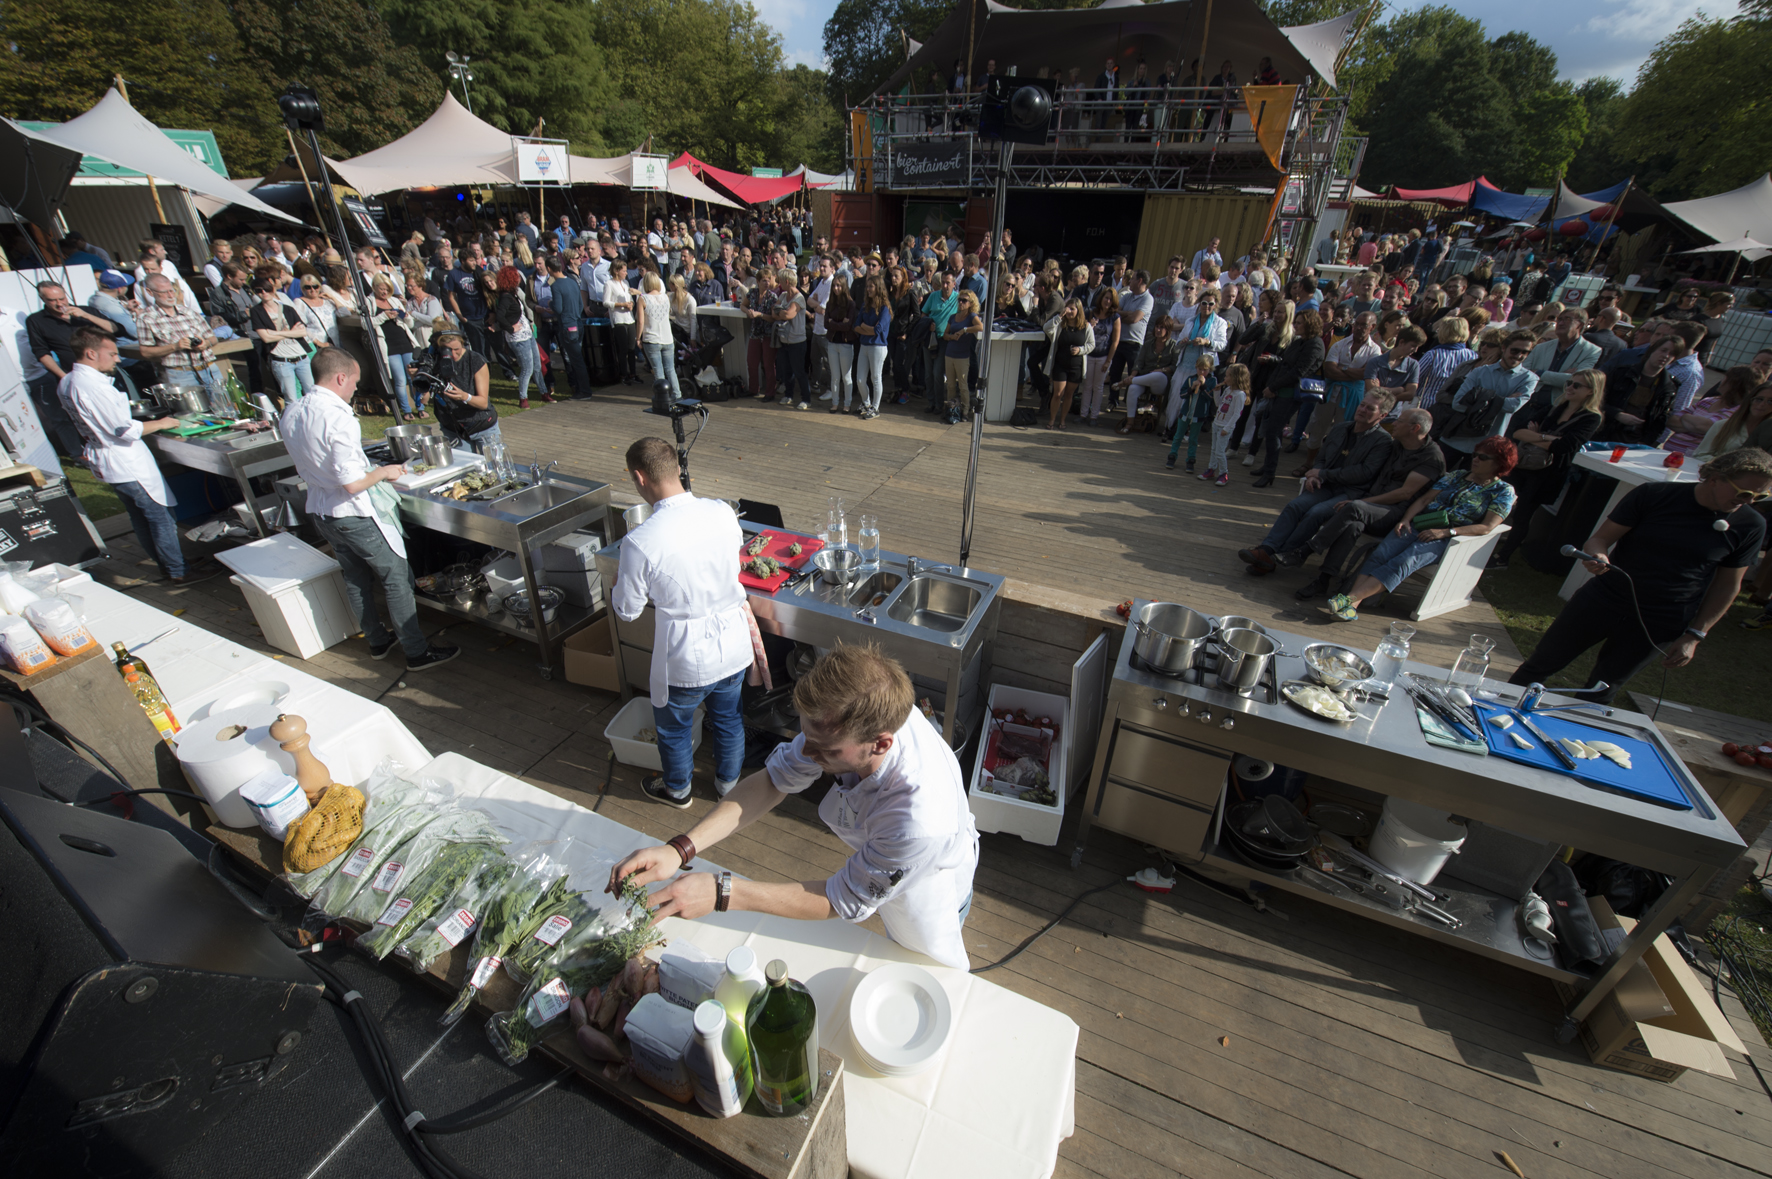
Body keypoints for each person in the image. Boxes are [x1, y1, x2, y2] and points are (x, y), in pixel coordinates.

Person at [609, 643, 979, 970]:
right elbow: (773, 780)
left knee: (922, 971)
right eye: (807, 735)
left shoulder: (918, 822)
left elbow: (840, 899)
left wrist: (723, 892)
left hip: (928, 893)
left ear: (881, 744)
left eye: (826, 750)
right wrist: (680, 849)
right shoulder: (858, 714)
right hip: (888, 847)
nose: (808, 752)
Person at [1510, 447, 1771, 699]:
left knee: (1601, 690)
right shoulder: (1654, 495)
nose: (1749, 502)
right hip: (1604, 598)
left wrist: (1695, 635)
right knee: (1537, 668)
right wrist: (1598, 556)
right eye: (1745, 493)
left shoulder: (1750, 525)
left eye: (1760, 497)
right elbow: (1599, 539)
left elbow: (1728, 586)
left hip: (1662, 618)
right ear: (1715, 478)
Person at [283, 349, 456, 670]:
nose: (355, 389)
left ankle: (377, 640)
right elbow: (351, 483)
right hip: (352, 512)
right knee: (396, 578)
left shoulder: (293, 410)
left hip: (321, 511)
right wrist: (384, 472)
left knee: (355, 577)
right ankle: (416, 652)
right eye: (355, 382)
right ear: (340, 378)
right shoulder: (337, 417)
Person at [611, 437, 752, 806]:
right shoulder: (722, 511)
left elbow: (627, 611)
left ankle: (678, 790)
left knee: (674, 729)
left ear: (640, 478)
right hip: (733, 642)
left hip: (685, 655)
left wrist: (618, 586)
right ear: (676, 469)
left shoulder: (639, 541)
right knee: (729, 719)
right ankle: (728, 787)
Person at [57, 327, 206, 581]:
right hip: (124, 459)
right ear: (91, 353)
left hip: (108, 458)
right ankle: (177, 571)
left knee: (141, 517)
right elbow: (123, 430)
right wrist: (162, 423)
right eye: (112, 354)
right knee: (160, 518)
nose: (117, 359)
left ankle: (170, 563)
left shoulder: (67, 380)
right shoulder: (92, 386)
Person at [1329, 437, 1519, 622]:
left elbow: (1487, 527)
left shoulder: (1503, 491)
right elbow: (1424, 500)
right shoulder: (1457, 475)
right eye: (1476, 454)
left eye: (1483, 457)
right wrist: (1406, 519)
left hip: (1447, 537)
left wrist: (1447, 533)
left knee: (1405, 561)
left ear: (1500, 463)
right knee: (1381, 554)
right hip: (1421, 522)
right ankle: (1352, 604)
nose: (1475, 459)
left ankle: (1348, 600)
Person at [1291, 407, 1445, 598]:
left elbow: (1404, 493)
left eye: (1400, 421)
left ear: (1415, 428)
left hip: (1394, 514)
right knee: (1353, 524)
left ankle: (1307, 549)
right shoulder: (1396, 444)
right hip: (1370, 506)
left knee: (1354, 508)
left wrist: (1362, 501)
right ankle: (1323, 580)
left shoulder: (1431, 457)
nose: (1393, 423)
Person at [1238, 391, 1398, 574]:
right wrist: (1315, 474)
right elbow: (1322, 457)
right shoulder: (1341, 428)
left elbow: (1364, 473)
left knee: (1315, 513)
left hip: (1351, 493)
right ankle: (1267, 550)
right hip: (1326, 484)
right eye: (1362, 404)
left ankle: (1274, 556)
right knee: (1295, 506)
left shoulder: (1383, 441)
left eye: (1370, 408)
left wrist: (1324, 473)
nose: (1362, 410)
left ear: (1382, 415)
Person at [1490, 370, 1606, 568]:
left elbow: (1565, 447)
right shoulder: (1555, 408)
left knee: (1523, 514)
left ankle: (1503, 557)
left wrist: (1538, 436)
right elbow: (1519, 432)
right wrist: (1549, 438)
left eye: (1577, 385)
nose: (1569, 387)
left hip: (1547, 473)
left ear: (1591, 391)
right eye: (1569, 383)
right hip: (1522, 464)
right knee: (1500, 503)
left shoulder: (1591, 418)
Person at [27, 281, 120, 457]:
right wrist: (64, 377)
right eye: (52, 300)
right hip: (73, 375)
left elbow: (115, 329)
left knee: (116, 409)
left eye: (62, 298)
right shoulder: (36, 320)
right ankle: (88, 454)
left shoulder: (85, 311)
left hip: (107, 371)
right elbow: (41, 352)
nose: (59, 303)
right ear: (43, 299)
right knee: (85, 417)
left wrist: (86, 315)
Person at [1440, 330, 1539, 466]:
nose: (1519, 355)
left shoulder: (1529, 379)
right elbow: (1458, 403)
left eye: (1525, 352)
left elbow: (1513, 406)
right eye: (1515, 350)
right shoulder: (1480, 371)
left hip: (1487, 447)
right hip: (1455, 439)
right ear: (1504, 348)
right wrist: (1501, 400)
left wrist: (1478, 397)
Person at [1253, 308, 1327, 486]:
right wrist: (1270, 385)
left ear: (1310, 324)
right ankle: (1267, 466)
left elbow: (1299, 372)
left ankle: (1270, 473)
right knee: (1272, 430)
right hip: (1279, 390)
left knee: (1273, 431)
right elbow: (1284, 363)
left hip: (1291, 393)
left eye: (1299, 323)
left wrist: (1274, 386)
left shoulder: (1315, 344)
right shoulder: (1300, 341)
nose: (1295, 326)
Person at [137, 275, 228, 407]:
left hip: (209, 368)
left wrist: (205, 344)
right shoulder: (146, 318)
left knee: (226, 407)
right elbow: (145, 352)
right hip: (181, 373)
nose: (170, 295)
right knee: (196, 415)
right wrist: (175, 346)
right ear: (150, 292)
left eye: (172, 290)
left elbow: (212, 338)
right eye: (164, 292)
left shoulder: (189, 312)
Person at [1664, 365, 1756, 457]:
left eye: (1726, 378)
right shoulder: (1708, 400)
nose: (1721, 380)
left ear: (1735, 384)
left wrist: (1685, 417)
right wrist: (1696, 427)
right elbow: (1672, 421)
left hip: (1693, 459)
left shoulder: (1738, 410)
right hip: (1668, 454)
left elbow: (1707, 427)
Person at [430, 330, 500, 449]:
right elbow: (423, 399)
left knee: (493, 466)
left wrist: (465, 397)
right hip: (454, 428)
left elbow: (483, 403)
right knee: (466, 467)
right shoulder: (434, 361)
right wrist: (415, 377)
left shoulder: (475, 360)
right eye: (447, 350)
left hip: (483, 426)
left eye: (457, 349)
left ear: (463, 343)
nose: (453, 354)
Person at [249, 278, 314, 403]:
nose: (263, 292)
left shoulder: (288, 309)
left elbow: (302, 332)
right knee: (290, 398)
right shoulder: (256, 311)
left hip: (301, 357)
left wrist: (276, 333)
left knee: (312, 395)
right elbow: (266, 338)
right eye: (259, 290)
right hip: (281, 361)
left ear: (273, 289)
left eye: (267, 289)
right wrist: (291, 333)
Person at [367, 275, 421, 419]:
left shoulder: (394, 300)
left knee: (413, 377)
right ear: (374, 287)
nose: (385, 293)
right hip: (388, 345)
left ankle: (420, 407)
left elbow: (409, 324)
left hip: (404, 341)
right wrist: (384, 315)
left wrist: (406, 316)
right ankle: (406, 410)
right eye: (382, 289)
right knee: (400, 380)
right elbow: (365, 324)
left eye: (387, 289)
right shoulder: (369, 301)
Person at [1044, 298, 1091, 430]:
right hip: (1060, 364)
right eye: (1068, 308)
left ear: (1079, 310)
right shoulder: (1060, 324)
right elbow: (1046, 328)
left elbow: (1091, 344)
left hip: (1076, 365)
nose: (1069, 311)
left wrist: (1080, 350)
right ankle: (1052, 419)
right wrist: (1059, 316)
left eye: (1072, 309)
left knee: (1069, 394)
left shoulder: (1086, 326)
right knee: (1058, 393)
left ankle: (1062, 420)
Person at [1200, 363, 1251, 486]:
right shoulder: (1228, 390)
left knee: (1220, 451)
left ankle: (1224, 473)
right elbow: (1218, 404)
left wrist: (1227, 428)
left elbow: (1236, 414)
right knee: (1213, 449)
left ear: (1236, 378)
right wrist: (1217, 392)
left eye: (1228, 376)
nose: (1225, 378)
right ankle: (1211, 469)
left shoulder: (1240, 395)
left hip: (1225, 426)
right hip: (1217, 423)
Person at [1694, 384, 1772, 462]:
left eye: (1770, 401)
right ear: (1750, 400)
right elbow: (1700, 454)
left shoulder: (1767, 434)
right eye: (1759, 399)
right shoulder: (1722, 425)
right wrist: (1724, 463)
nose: (1762, 405)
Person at [635, 272, 680, 406]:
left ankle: (662, 398)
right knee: (670, 369)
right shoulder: (666, 297)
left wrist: (638, 338)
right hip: (667, 338)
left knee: (658, 371)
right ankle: (677, 395)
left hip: (651, 338)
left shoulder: (642, 299)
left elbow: (641, 322)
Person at [1079, 287, 1121, 425]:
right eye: (1106, 298)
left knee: (1098, 387)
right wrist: (1089, 325)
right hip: (1089, 354)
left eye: (1110, 299)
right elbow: (1082, 331)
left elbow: (1115, 341)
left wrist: (1108, 361)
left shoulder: (1115, 317)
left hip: (1103, 355)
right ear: (1101, 298)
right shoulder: (1091, 312)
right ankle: (1083, 414)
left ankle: (1094, 416)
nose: (1107, 301)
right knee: (1087, 386)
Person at [940, 290, 984, 416]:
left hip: (962, 356)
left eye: (964, 301)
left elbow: (980, 326)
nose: (961, 302)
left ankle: (965, 410)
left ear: (970, 303)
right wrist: (952, 337)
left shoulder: (971, 317)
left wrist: (965, 330)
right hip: (950, 353)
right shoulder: (953, 317)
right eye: (960, 300)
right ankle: (951, 408)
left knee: (963, 386)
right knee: (950, 385)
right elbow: (945, 335)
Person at [774, 267, 811, 409]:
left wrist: (780, 312)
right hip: (784, 340)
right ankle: (788, 395)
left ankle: (806, 399)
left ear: (787, 281)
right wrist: (781, 312)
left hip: (797, 342)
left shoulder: (799, 297)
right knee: (786, 371)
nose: (779, 283)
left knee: (799, 371)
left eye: (781, 281)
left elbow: (789, 315)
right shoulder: (783, 296)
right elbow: (773, 312)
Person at [604, 260, 640, 384]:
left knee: (631, 348)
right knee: (623, 349)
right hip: (618, 319)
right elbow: (606, 302)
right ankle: (623, 374)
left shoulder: (625, 282)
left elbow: (630, 298)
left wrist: (631, 304)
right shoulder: (609, 284)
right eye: (623, 271)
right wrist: (620, 304)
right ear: (616, 271)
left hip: (629, 318)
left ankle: (633, 373)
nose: (626, 273)